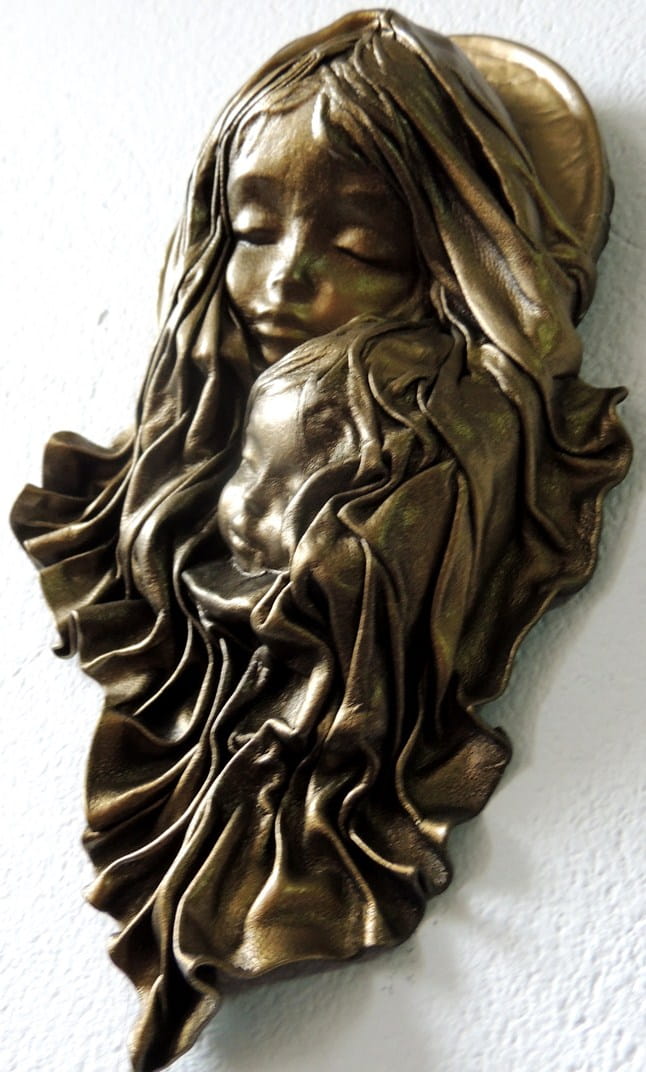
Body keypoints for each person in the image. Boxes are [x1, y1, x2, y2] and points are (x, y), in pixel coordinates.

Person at [10, 11, 631, 1071]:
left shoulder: (439, 439)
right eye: (251, 231)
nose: (282, 281)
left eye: (358, 244)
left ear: (455, 261)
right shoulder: (185, 463)